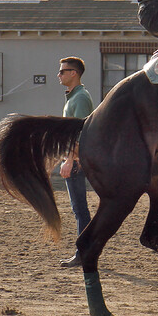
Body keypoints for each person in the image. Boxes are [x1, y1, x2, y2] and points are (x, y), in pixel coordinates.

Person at [58, 57, 94, 268]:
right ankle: (86, 251)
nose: (59, 75)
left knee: (80, 209)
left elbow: (79, 134)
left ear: (74, 73)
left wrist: (70, 160)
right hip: (74, 159)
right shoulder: (74, 97)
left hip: (77, 161)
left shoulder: (79, 98)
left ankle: (84, 253)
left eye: (63, 71)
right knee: (79, 209)